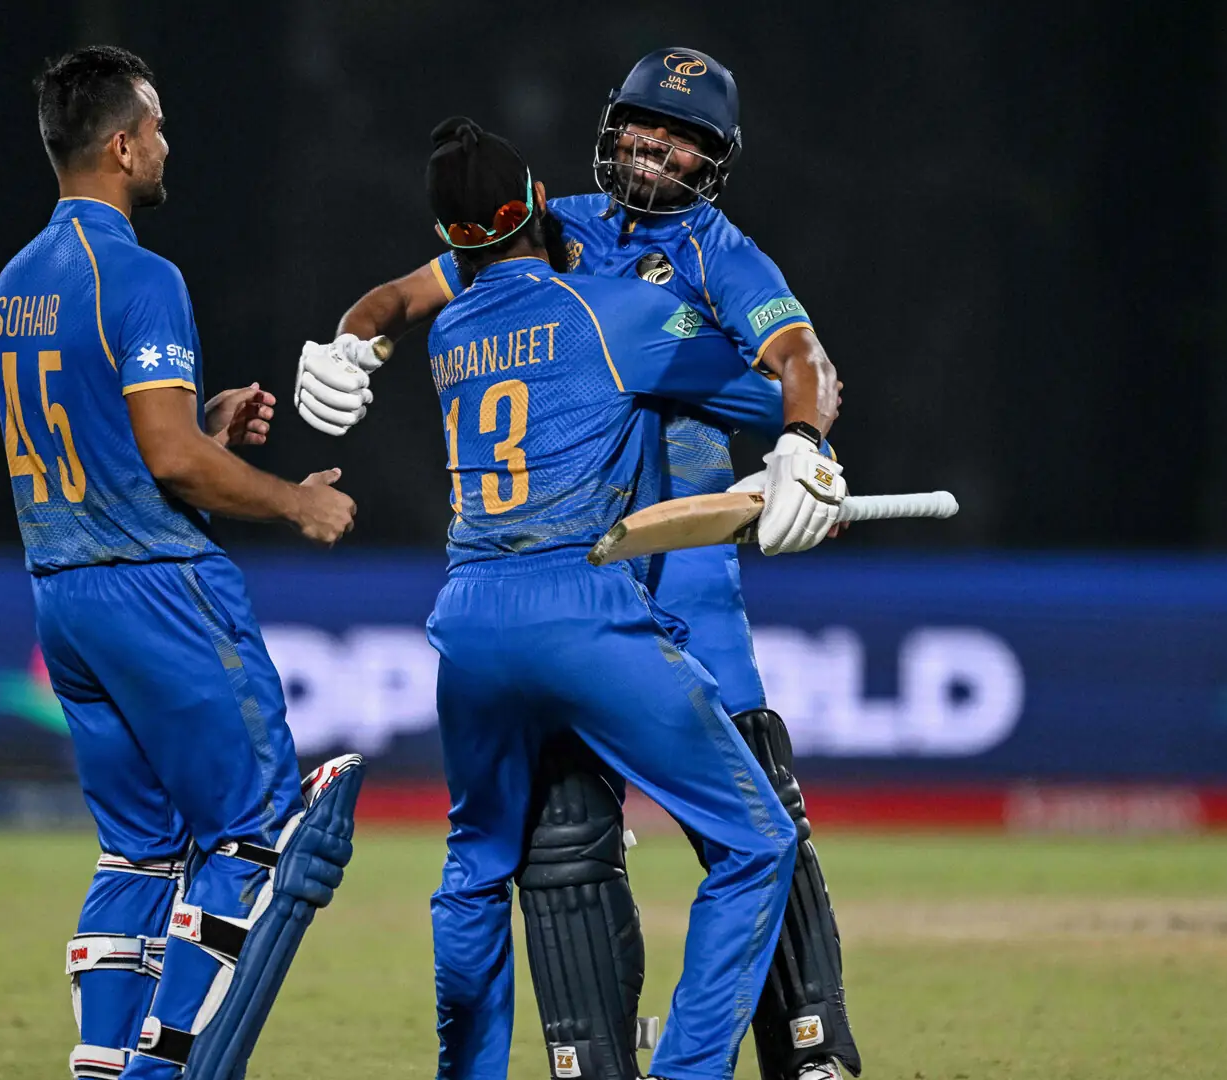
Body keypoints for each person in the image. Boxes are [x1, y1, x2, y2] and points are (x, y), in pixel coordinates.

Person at [297, 47, 863, 1080]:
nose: (654, 146)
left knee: (748, 793)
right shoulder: (561, 229)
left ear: (715, 159)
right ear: (604, 134)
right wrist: (349, 342)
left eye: (681, 135)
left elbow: (808, 365)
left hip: (666, 560)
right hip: (584, 574)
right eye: (642, 125)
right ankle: (600, 1060)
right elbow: (395, 294)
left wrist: (803, 449)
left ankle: (808, 1047)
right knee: (580, 838)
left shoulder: (724, 257)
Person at [0, 46, 364, 1080]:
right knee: (254, 836)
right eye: (154, 127)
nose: (164, 144)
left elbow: (116, 440)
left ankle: (105, 1066)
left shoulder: (15, 284)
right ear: (120, 144)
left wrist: (204, 425)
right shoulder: (143, 276)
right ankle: (171, 1070)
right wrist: (295, 498)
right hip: (158, 589)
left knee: (139, 852)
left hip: (63, 598)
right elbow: (165, 464)